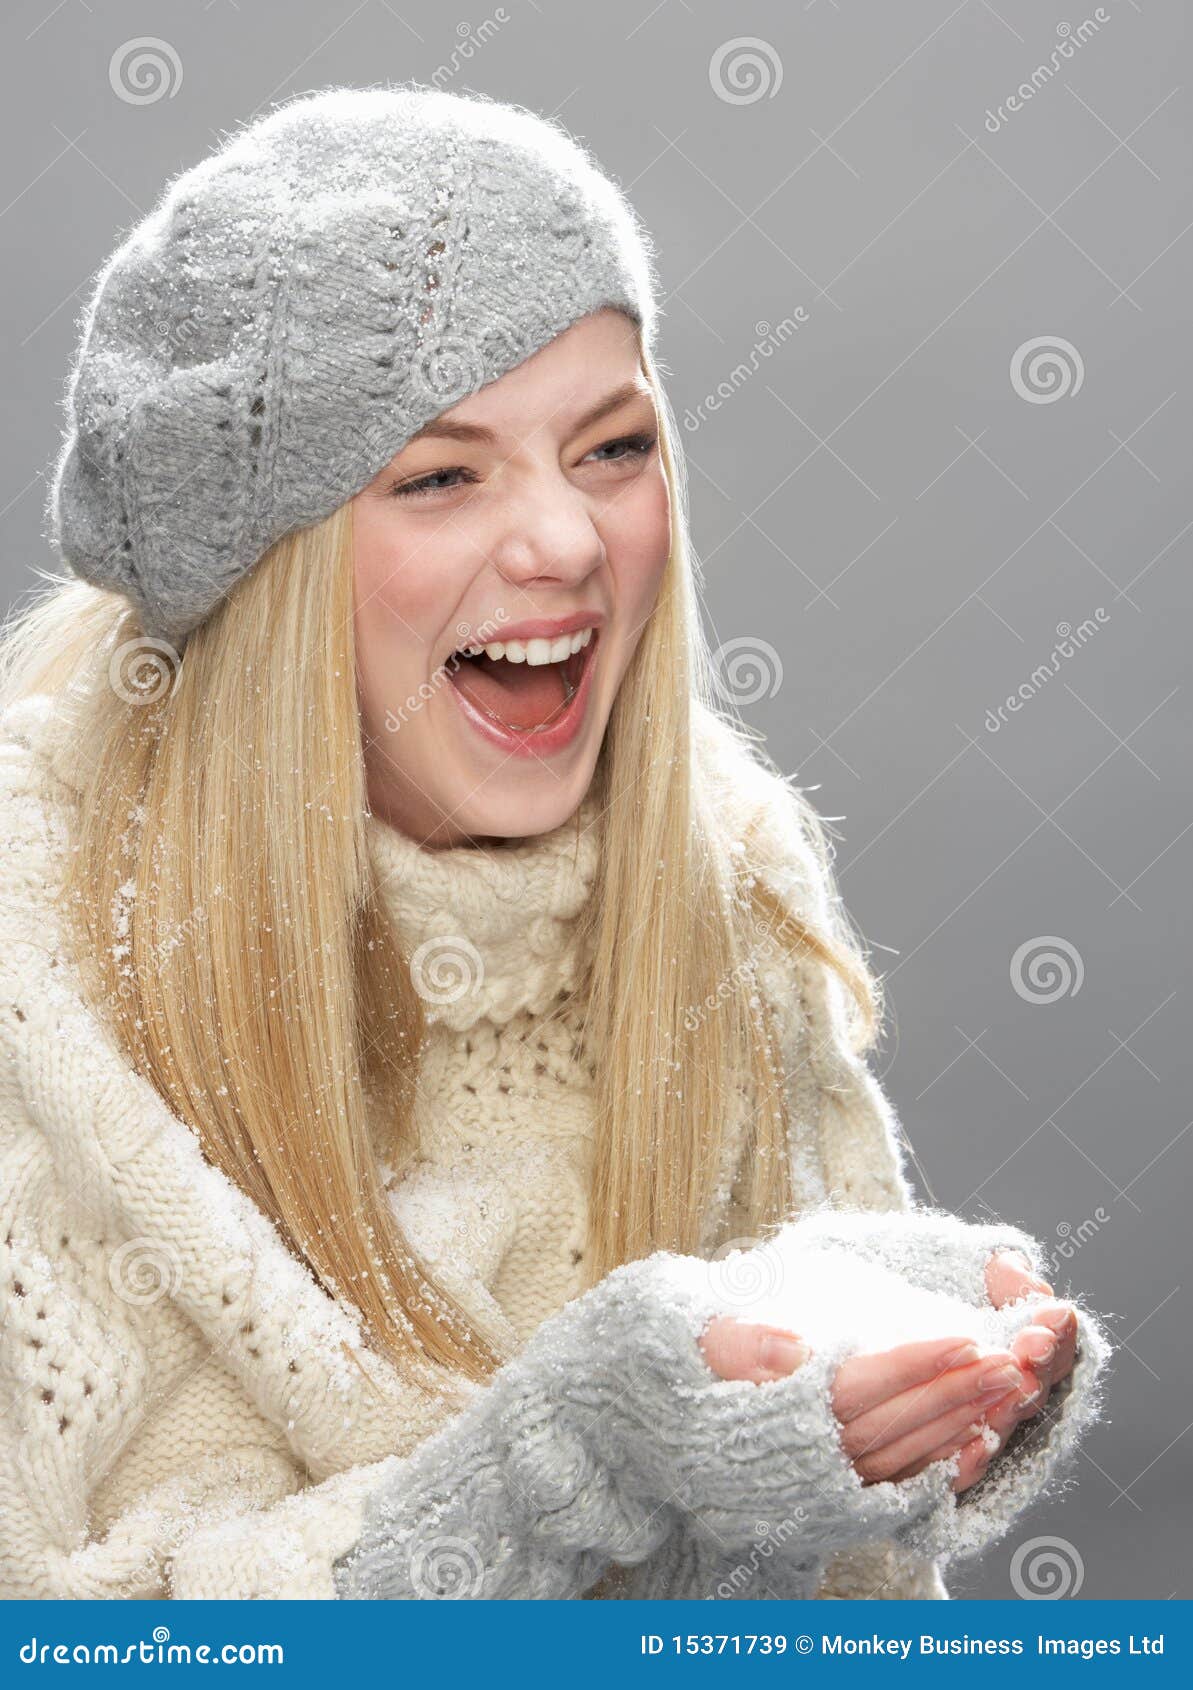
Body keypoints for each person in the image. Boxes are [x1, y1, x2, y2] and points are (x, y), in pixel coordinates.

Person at [0, 84, 1108, 1602]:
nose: (570, 543)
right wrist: (581, 1443)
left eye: (610, 448)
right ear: (264, 574)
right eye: (442, 475)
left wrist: (888, 1374)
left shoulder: (720, 878)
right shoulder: (34, 975)